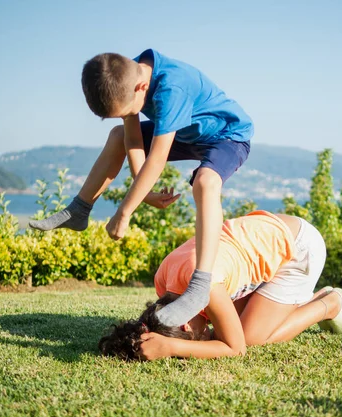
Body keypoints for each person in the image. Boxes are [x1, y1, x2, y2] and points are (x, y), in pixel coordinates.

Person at [29, 49, 254, 327]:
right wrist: (143, 194)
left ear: (142, 87)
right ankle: (79, 209)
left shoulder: (172, 87)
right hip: (187, 132)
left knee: (205, 182)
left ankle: (200, 286)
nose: (130, 115)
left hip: (227, 136)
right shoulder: (126, 76)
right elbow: (133, 139)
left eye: (128, 111)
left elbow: (157, 159)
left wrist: (124, 212)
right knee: (118, 135)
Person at [99, 211, 342, 361]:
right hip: (271, 233)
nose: (205, 335)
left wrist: (172, 346)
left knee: (251, 337)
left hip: (300, 248)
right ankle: (289, 302)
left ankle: (329, 303)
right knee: (238, 326)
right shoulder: (164, 282)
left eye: (198, 336)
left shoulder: (205, 286)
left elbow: (237, 348)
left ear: (187, 324)